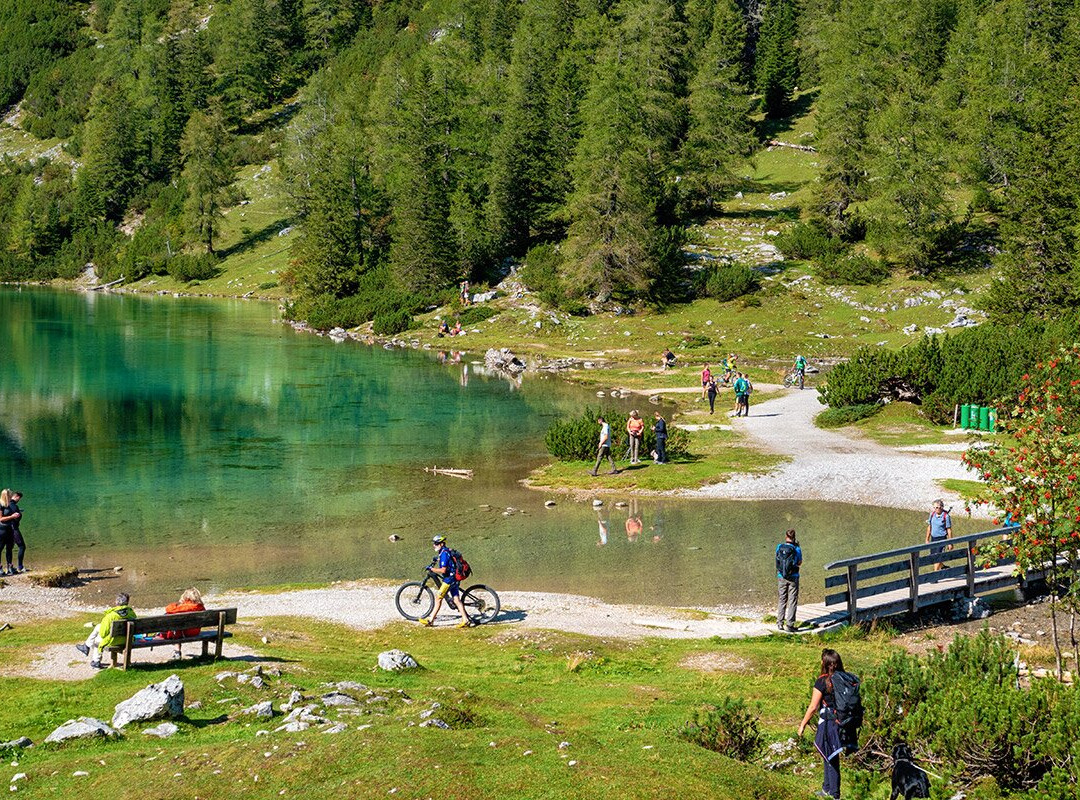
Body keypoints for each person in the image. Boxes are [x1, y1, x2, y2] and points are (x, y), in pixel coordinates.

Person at [798, 648, 846, 799]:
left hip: (828, 722)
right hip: (841, 721)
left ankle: (835, 794)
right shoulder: (843, 678)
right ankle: (826, 788)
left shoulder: (822, 682)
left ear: (824, 663)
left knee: (831, 757)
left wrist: (802, 724)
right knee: (827, 753)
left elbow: (813, 707)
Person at [419, 535, 470, 628]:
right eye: (434, 543)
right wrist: (436, 559)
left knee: (438, 598)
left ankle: (430, 620)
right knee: (456, 600)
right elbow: (447, 560)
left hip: (449, 579)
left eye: (436, 543)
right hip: (454, 577)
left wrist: (432, 568)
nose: (434, 545)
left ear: (441, 544)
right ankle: (465, 620)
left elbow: (443, 570)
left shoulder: (443, 554)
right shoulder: (446, 551)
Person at [75, 593, 137, 669]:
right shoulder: (131, 613)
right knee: (98, 626)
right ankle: (86, 646)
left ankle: (96, 662)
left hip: (115, 641)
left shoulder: (111, 616)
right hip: (128, 639)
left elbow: (103, 633)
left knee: (97, 640)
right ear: (127, 602)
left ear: (116, 602)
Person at [164, 587, 206, 660]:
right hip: (195, 632)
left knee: (175, 625)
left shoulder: (183, 607)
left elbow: (168, 608)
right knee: (178, 626)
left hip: (183, 633)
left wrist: (177, 603)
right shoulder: (201, 607)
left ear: (186, 597)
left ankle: (177, 651)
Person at [776, 529, 802, 632]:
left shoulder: (779, 547)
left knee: (782, 599)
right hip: (793, 577)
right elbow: (799, 562)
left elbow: (777, 560)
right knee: (792, 601)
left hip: (781, 576)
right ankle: (790, 625)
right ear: (794, 537)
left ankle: (779, 623)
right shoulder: (797, 549)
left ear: (786, 536)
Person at [926, 499, 952, 571]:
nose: (938, 509)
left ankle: (934, 575)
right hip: (933, 538)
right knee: (933, 557)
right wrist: (927, 539)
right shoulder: (932, 515)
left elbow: (949, 529)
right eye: (936, 507)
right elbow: (929, 527)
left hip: (942, 539)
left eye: (940, 507)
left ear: (942, 507)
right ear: (934, 508)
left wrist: (950, 542)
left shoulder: (946, 516)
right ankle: (943, 567)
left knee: (937, 556)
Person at [0, 489, 20, 576]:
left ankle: (9, 567)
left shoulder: (10, 505)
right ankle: (0, 568)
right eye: (10, 495)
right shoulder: (1, 505)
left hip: (10, 529)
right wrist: (12, 516)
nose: (12, 497)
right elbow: (1, 519)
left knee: (9, 548)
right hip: (2, 529)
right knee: (0, 548)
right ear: (6, 495)